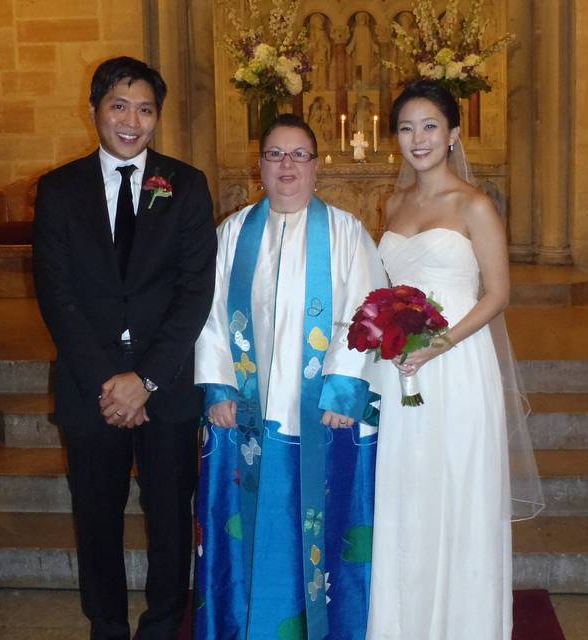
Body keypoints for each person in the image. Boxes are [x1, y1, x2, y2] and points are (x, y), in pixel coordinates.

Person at [32, 56, 216, 640]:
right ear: (95, 111)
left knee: (169, 519)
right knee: (97, 519)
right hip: (93, 389)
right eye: (119, 105)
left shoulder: (185, 185)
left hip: (167, 388)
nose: (131, 121)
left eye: (145, 109)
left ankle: (163, 625)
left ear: (157, 117)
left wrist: (148, 380)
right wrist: (110, 381)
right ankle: (106, 627)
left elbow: (195, 292)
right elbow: (56, 294)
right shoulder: (59, 190)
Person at [193, 114, 387, 639]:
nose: (286, 165)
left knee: (320, 526)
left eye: (298, 155)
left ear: (316, 166)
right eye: (275, 154)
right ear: (259, 165)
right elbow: (207, 313)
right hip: (251, 414)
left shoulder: (346, 232)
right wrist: (218, 386)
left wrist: (345, 388)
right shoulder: (232, 233)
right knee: (260, 528)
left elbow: (366, 310)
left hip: (322, 410)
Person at [365, 80, 544, 639]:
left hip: (457, 365)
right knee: (404, 489)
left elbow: (498, 294)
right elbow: (385, 285)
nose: (417, 139)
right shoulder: (391, 203)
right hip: (397, 368)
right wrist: (382, 334)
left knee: (458, 488)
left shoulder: (474, 204)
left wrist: (437, 346)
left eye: (429, 126)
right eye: (405, 127)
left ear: (453, 135)